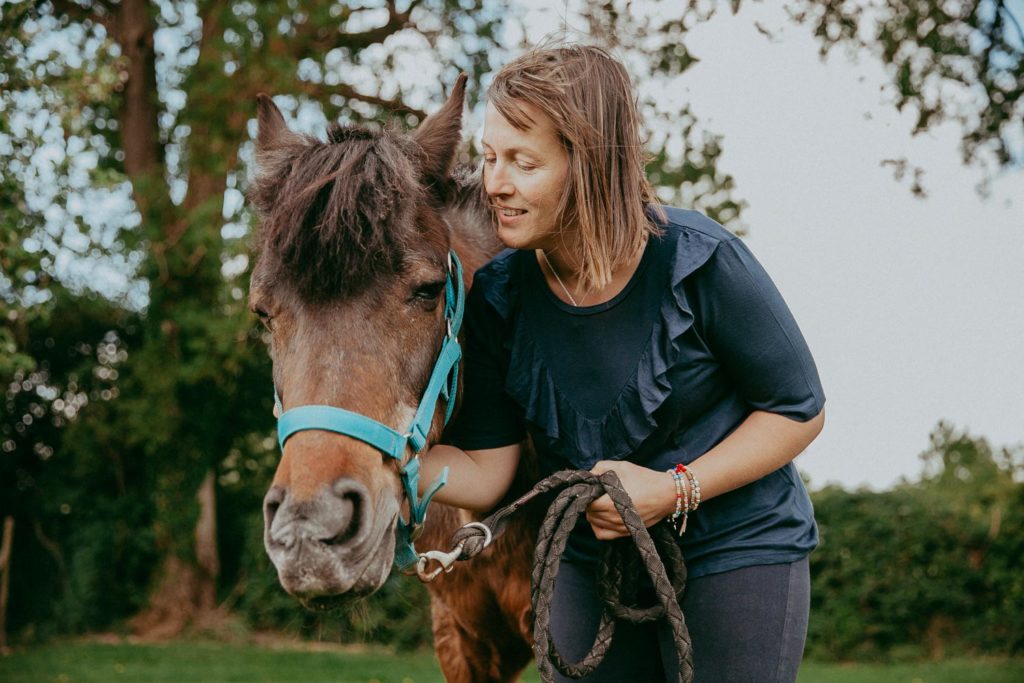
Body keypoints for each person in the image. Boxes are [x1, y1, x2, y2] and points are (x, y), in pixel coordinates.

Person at [424, 43, 826, 683]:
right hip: (587, 565)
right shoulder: (498, 297)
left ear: (586, 164)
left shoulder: (703, 261)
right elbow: (488, 470)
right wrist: (379, 461)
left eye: (523, 163)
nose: (494, 183)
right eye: (489, 157)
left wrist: (671, 490)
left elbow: (798, 411)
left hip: (737, 551)